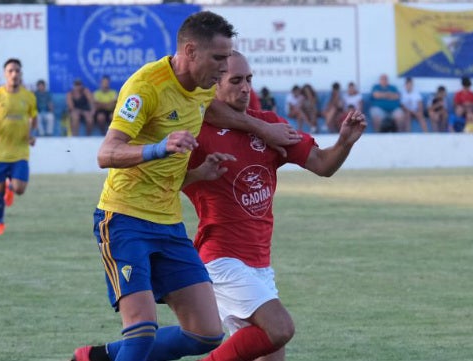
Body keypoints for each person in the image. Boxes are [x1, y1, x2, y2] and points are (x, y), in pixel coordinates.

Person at [70, 11, 301, 361]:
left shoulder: (202, 89)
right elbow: (107, 153)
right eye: (218, 59)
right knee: (141, 332)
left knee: (206, 334)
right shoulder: (146, 86)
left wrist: (262, 129)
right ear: (191, 51)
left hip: (168, 223)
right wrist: (160, 147)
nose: (224, 69)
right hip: (123, 219)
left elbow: (216, 113)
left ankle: (97, 357)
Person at [182, 51, 366, 361]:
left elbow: (322, 165)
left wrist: (344, 142)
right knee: (279, 328)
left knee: (271, 352)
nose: (245, 88)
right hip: (222, 260)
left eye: (249, 80)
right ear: (214, 85)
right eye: (235, 80)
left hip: (260, 265)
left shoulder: (270, 126)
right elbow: (164, 180)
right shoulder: (198, 131)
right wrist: (199, 174)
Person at [0, 58, 37, 236]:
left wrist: (32, 134)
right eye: (10, 71)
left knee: (20, 189)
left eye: (17, 71)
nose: (14, 74)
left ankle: (12, 186)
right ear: (5, 74)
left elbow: (33, 117)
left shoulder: (29, 97)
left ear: (21, 74)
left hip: (20, 150)